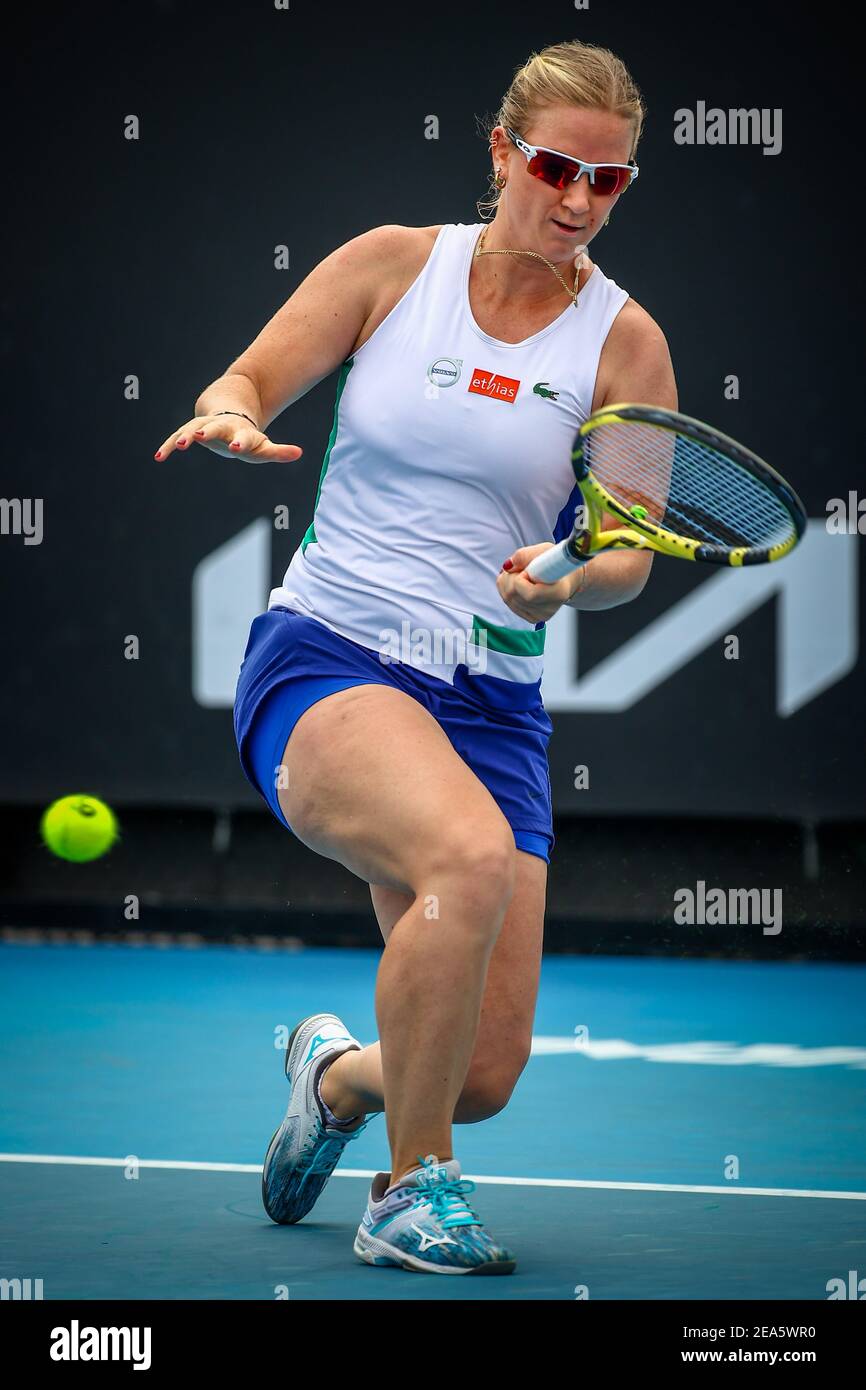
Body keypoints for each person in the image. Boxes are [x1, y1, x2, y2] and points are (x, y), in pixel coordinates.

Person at [156, 39, 677, 1275]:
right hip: (331, 657)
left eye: (607, 182)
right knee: (464, 853)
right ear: (500, 152)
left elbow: (627, 556)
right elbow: (248, 378)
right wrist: (230, 412)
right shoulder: (394, 266)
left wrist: (564, 578)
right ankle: (408, 1192)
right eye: (554, 167)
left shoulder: (625, 346)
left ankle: (336, 1080)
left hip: (489, 703)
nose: (574, 200)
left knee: (480, 1070)